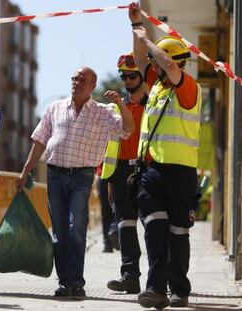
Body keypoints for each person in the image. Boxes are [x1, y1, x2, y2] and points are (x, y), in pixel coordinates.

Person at [16, 66, 135, 298]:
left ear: (92, 85)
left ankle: (77, 282)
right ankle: (64, 283)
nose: (76, 82)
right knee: (59, 232)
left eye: (82, 79)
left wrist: (120, 103)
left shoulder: (103, 112)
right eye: (74, 78)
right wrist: (24, 171)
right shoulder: (55, 107)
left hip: (82, 176)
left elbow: (128, 129)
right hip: (55, 175)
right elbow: (39, 141)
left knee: (75, 229)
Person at [129, 3, 202, 309]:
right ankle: (156, 289)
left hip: (180, 173)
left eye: (157, 61)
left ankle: (179, 290)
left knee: (177, 233)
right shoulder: (157, 89)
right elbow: (138, 60)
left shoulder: (187, 87)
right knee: (155, 230)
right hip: (151, 172)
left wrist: (149, 41)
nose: (153, 67)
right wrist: (136, 28)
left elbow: (169, 67)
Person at [102, 53, 147, 294]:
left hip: (147, 169)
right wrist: (111, 179)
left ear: (141, 77)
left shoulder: (153, 105)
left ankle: (162, 279)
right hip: (120, 171)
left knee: (153, 226)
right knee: (125, 225)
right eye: (124, 76)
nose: (128, 80)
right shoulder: (116, 108)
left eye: (132, 76)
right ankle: (130, 277)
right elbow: (112, 145)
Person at [95, 165, 119, 253]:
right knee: (117, 208)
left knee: (105, 214)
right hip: (117, 176)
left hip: (102, 177)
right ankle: (114, 230)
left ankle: (107, 244)